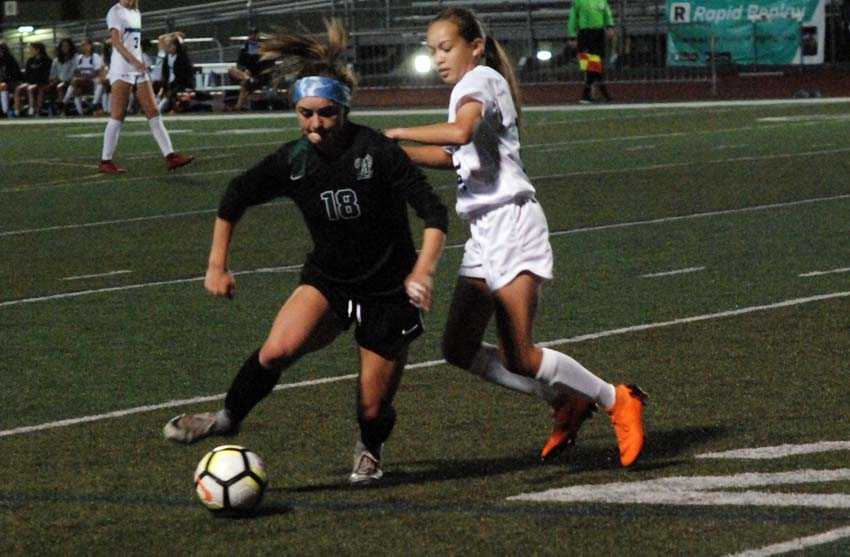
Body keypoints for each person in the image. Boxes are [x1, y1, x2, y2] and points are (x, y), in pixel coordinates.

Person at [163, 19, 449, 486]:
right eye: (305, 113)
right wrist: (217, 264)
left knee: (372, 407)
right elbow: (235, 196)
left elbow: (434, 214)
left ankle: (370, 446)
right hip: (330, 281)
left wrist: (423, 272)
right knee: (277, 350)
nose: (315, 124)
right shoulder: (293, 160)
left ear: (344, 109)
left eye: (326, 113)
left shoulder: (377, 151)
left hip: (389, 291)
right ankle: (226, 418)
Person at [383, 7, 646, 467]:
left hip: (512, 225)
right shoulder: (471, 86)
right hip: (485, 231)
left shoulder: (479, 80)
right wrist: (397, 155)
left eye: (446, 48)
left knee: (519, 355)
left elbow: (461, 132)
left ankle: (616, 398)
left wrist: (396, 132)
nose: (438, 58)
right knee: (458, 347)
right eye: (432, 50)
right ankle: (566, 400)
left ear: (475, 47)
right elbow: (455, 153)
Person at [99, 0, 193, 174]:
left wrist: (139, 62)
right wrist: (135, 61)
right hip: (122, 69)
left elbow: (135, 43)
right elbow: (117, 43)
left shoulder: (136, 12)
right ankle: (105, 160)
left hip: (138, 68)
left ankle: (170, 156)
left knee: (153, 111)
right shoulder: (115, 12)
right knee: (118, 115)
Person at [567, 0, 615, 103]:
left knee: (595, 64)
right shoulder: (579, 1)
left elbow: (606, 13)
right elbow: (573, 18)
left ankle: (588, 94)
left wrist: (609, 26)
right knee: (591, 64)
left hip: (598, 34)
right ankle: (602, 92)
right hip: (585, 34)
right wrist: (572, 35)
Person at [227, 27, 272, 111]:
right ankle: (249, 79)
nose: (253, 36)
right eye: (251, 34)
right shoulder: (245, 47)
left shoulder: (264, 46)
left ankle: (238, 106)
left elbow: (267, 62)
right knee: (232, 70)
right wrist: (244, 71)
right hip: (247, 73)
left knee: (245, 84)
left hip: (259, 73)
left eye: (255, 34)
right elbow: (240, 63)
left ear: (258, 35)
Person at [67, 38, 105, 116]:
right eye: (82, 45)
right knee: (76, 87)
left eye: (85, 45)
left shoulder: (95, 56)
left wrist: (88, 76)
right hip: (82, 80)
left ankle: (95, 104)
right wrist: (81, 76)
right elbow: (75, 71)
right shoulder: (79, 58)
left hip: (92, 80)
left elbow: (98, 71)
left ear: (90, 46)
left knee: (98, 81)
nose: (83, 47)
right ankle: (80, 113)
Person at [158, 34, 194, 113]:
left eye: (171, 45)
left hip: (180, 83)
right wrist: (164, 84)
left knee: (172, 93)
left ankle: (166, 107)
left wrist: (189, 85)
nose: (168, 48)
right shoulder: (167, 57)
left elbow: (187, 74)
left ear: (176, 46)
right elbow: (165, 73)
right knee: (161, 91)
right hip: (169, 83)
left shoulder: (182, 57)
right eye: (167, 46)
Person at [14, 42, 51, 117]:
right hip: (30, 82)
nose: (29, 51)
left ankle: (32, 110)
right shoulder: (30, 60)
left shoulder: (47, 60)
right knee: (18, 88)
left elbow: (46, 74)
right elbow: (27, 74)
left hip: (42, 83)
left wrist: (36, 82)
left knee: (30, 88)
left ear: (38, 50)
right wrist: (26, 81)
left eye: (31, 49)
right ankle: (17, 111)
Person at [50, 38, 77, 115]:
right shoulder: (56, 60)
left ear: (70, 47)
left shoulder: (74, 58)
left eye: (67, 46)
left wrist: (65, 80)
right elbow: (52, 74)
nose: (65, 48)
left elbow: (74, 71)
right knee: (58, 85)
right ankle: (61, 107)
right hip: (58, 81)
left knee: (61, 86)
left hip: (70, 81)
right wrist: (54, 79)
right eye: (63, 46)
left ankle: (62, 108)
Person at [0, 42, 23, 117]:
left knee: (3, 86)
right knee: (2, 85)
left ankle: (5, 111)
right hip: (4, 82)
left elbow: (16, 75)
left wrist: (4, 80)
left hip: (12, 82)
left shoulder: (10, 59)